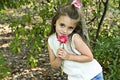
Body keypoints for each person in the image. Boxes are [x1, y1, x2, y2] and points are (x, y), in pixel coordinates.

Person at [47, 0, 104, 80]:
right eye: (62, 25)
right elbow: (54, 65)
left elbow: (89, 57)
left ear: (74, 28)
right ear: (55, 22)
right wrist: (60, 57)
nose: (65, 31)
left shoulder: (74, 39)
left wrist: (69, 56)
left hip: (91, 75)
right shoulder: (51, 40)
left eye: (70, 28)